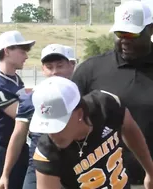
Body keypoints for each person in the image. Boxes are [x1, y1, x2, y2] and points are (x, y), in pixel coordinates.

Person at [71, 1, 153, 186]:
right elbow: (69, 122)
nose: (124, 40)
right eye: (119, 34)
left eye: (132, 34)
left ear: (151, 29)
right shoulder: (90, 70)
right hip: (102, 180)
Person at [24, 76, 153, 189]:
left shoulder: (105, 106)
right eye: (47, 126)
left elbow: (130, 129)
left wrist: (150, 171)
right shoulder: (47, 151)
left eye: (58, 125)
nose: (52, 133)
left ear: (79, 113)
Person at [0, 44, 75, 189]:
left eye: (60, 66)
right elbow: (18, 135)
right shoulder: (31, 99)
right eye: (49, 67)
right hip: (39, 166)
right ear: (43, 70)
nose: (55, 72)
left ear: (71, 66)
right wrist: (5, 173)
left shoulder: (81, 98)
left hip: (74, 168)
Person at [0, 30, 35, 189]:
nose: (26, 56)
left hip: (19, 147)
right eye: (22, 51)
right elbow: (22, 114)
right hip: (0, 150)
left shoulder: (15, 79)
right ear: (6, 51)